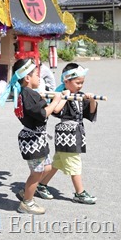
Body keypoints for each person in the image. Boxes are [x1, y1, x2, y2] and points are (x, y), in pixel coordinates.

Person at [0, 58, 62, 215]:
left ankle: (26, 191)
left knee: (46, 167)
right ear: (27, 78)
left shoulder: (27, 93)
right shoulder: (27, 94)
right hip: (32, 140)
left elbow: (45, 109)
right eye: (36, 75)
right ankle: (26, 203)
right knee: (36, 173)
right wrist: (55, 101)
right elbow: (42, 114)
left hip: (37, 138)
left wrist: (54, 99)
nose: (39, 78)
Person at [39, 63, 98, 204]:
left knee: (58, 163)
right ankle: (80, 193)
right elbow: (56, 110)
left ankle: (41, 185)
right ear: (66, 81)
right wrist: (64, 97)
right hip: (66, 135)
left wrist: (92, 100)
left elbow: (90, 113)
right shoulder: (60, 96)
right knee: (75, 164)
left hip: (76, 134)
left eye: (82, 83)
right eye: (77, 82)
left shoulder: (80, 96)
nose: (80, 86)